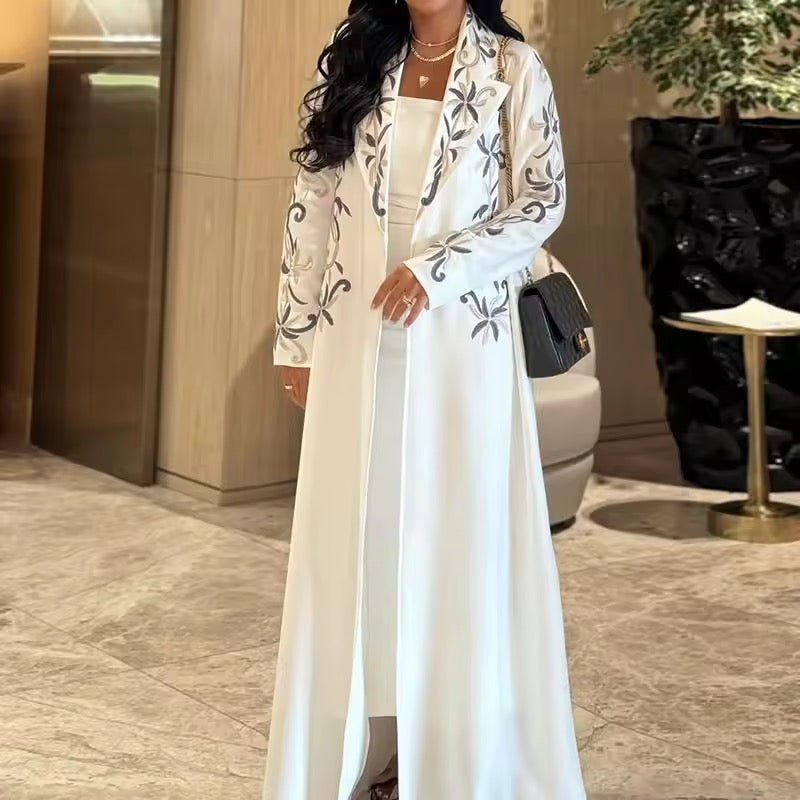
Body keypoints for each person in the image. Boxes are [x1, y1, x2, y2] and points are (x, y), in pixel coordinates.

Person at [265, 1, 586, 798]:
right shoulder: (357, 58)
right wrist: (296, 335)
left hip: (460, 351)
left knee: (452, 545)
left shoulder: (512, 68)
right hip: (355, 343)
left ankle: (448, 757)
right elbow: (311, 200)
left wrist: (439, 270)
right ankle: (369, 751)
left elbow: (541, 200)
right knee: (362, 548)